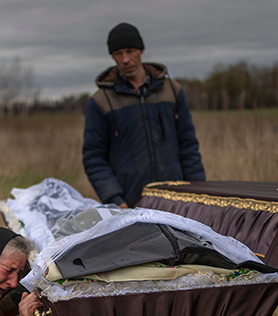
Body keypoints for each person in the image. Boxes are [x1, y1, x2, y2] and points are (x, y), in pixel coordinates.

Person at [82, 22, 206, 209]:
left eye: (130, 51)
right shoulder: (101, 101)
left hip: (177, 201)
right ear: (112, 57)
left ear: (141, 50)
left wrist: (198, 193)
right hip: (131, 205)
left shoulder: (172, 90)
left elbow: (188, 145)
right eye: (118, 53)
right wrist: (116, 201)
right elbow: (94, 157)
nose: (125, 59)